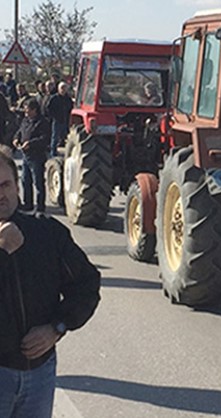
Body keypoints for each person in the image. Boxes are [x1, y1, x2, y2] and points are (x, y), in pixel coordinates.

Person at [0, 144, 101, 418]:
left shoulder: (47, 233)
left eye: (6, 185)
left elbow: (86, 285)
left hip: (39, 375)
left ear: (17, 188)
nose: (1, 194)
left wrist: (57, 327)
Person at [12, 99, 50, 212]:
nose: (25, 112)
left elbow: (44, 139)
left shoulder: (42, 122)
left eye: (28, 110)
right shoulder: (25, 120)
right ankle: (28, 203)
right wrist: (16, 139)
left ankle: (40, 206)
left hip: (36, 156)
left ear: (35, 110)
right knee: (25, 180)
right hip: (25, 155)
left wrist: (31, 144)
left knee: (38, 181)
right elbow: (20, 131)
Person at [46, 82, 73, 157]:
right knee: (55, 137)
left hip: (65, 120)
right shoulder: (54, 98)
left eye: (65, 88)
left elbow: (70, 108)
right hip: (57, 120)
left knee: (66, 137)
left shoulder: (68, 98)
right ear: (58, 89)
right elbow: (48, 108)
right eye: (62, 88)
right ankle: (53, 153)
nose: (63, 90)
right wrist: (54, 116)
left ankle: (68, 153)